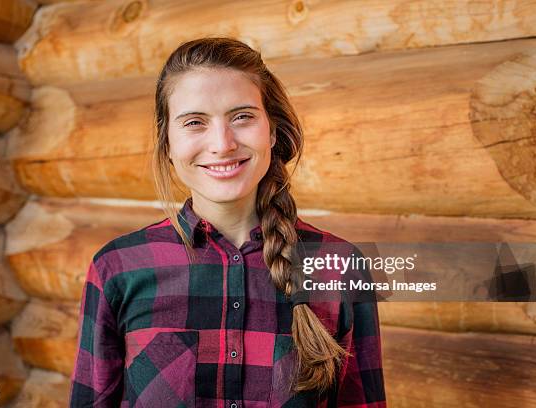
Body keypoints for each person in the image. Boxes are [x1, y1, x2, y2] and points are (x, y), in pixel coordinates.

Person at [69, 37, 386, 408]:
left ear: (273, 129)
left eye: (242, 116)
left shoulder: (340, 266)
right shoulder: (117, 269)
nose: (222, 144)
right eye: (194, 122)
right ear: (168, 143)